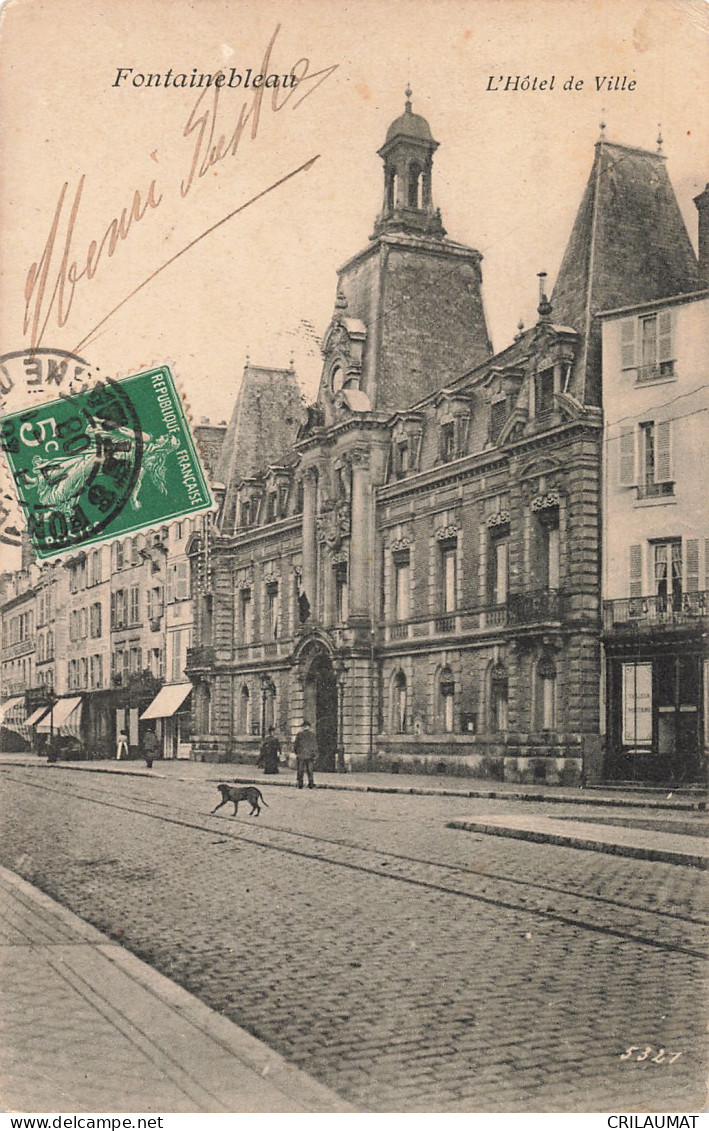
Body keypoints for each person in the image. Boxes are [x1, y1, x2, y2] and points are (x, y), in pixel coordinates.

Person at [294, 719, 317, 789]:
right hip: (309, 755)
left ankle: (300, 784)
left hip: (301, 755)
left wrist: (297, 753)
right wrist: (314, 754)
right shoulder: (312, 735)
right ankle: (311, 783)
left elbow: (295, 745)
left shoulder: (299, 735)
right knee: (310, 770)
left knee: (300, 770)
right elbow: (315, 745)